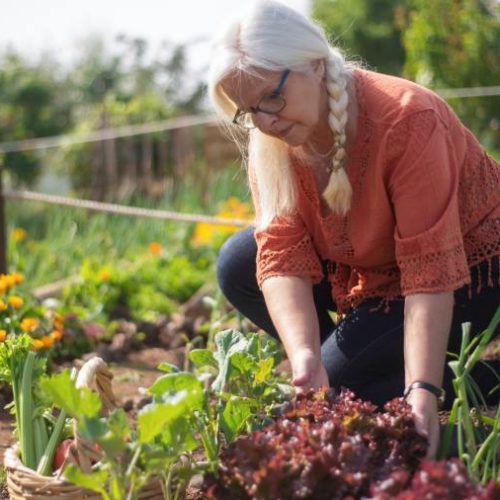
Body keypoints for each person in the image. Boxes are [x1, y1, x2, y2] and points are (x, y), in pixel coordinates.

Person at [208, 0, 500, 458]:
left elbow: (429, 273)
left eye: (271, 97)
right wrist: (305, 356)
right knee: (238, 262)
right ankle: (355, 373)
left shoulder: (408, 119)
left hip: (473, 266)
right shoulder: (274, 139)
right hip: (379, 269)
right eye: (249, 111)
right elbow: (281, 251)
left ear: (314, 65)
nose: (264, 121)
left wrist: (422, 391)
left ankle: (482, 378)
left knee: (346, 381)